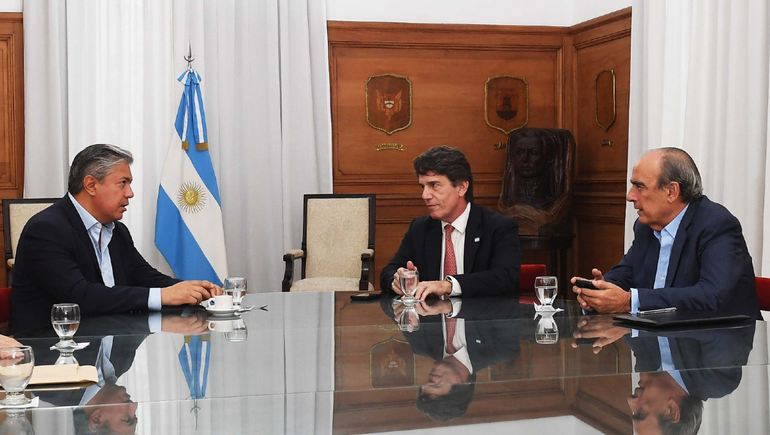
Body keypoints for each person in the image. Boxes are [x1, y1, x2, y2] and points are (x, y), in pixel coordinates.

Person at [9, 144, 222, 334]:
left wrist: (193, 290)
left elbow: (145, 277)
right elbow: (79, 296)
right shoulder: (46, 229)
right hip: (49, 353)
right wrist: (164, 296)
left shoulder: (117, 231)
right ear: (91, 185)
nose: (130, 193)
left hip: (108, 345)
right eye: (123, 183)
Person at [571, 147, 761, 319]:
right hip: (659, 342)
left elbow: (712, 295)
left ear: (671, 191)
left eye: (639, 186)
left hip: (720, 346)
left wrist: (629, 301)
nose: (630, 196)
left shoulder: (716, 224)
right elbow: (627, 272)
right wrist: (599, 291)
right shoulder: (645, 226)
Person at [381, 146, 521, 299]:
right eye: (423, 186)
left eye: (434, 185)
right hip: (431, 319)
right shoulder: (420, 228)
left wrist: (448, 285)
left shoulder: (498, 227)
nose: (425, 195)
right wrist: (398, 280)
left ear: (461, 187)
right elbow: (389, 272)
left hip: (482, 319)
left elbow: (505, 278)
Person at [382, 296, 521, 421]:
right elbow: (506, 300)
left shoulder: (422, 345)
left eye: (427, 382)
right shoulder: (501, 349)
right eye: (436, 384)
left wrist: (399, 305)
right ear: (462, 384)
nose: (430, 378)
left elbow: (388, 305)